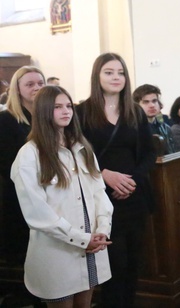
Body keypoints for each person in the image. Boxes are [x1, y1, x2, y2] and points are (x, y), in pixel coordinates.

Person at [11, 85, 113, 307]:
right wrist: (81, 239)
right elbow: (38, 213)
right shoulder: (29, 155)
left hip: (91, 246)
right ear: (44, 111)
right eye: (57, 107)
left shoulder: (82, 148)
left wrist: (102, 229)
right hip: (59, 250)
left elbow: (99, 192)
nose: (66, 111)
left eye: (68, 106)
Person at [77, 53, 156, 308]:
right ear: (97, 76)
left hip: (133, 196)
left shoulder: (135, 112)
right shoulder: (82, 111)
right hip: (101, 198)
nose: (116, 77)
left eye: (120, 72)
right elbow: (75, 157)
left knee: (133, 262)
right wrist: (104, 176)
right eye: (109, 72)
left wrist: (131, 181)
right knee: (112, 263)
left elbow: (148, 153)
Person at [0, 66, 45, 304]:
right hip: (21, 195)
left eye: (40, 83)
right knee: (28, 252)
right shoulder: (6, 120)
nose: (37, 87)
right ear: (17, 89)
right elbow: (6, 162)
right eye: (30, 84)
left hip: (50, 192)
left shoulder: (47, 115)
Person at [133, 84, 175, 154]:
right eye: (146, 102)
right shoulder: (133, 129)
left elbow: (172, 153)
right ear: (137, 106)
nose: (152, 105)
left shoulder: (165, 128)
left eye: (154, 101)